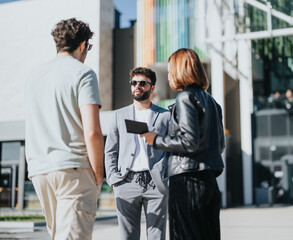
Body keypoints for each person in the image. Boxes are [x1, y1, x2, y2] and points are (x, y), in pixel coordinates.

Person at [25, 18, 103, 240]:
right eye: (88, 47)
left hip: (40, 171)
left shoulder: (33, 78)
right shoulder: (83, 73)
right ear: (82, 45)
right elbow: (93, 132)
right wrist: (98, 173)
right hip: (74, 170)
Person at [142, 48, 225, 240]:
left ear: (180, 71)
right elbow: (219, 145)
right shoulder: (212, 102)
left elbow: (189, 141)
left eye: (171, 70)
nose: (169, 75)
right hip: (209, 182)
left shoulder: (185, 98)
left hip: (187, 181)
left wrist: (156, 139)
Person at [105, 67, 170, 240]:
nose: (137, 86)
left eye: (143, 83)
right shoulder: (118, 115)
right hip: (126, 182)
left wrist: (167, 177)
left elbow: (171, 149)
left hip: (156, 184)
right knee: (127, 236)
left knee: (157, 236)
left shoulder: (165, 116)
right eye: (134, 83)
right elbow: (110, 150)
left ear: (152, 87)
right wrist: (113, 180)